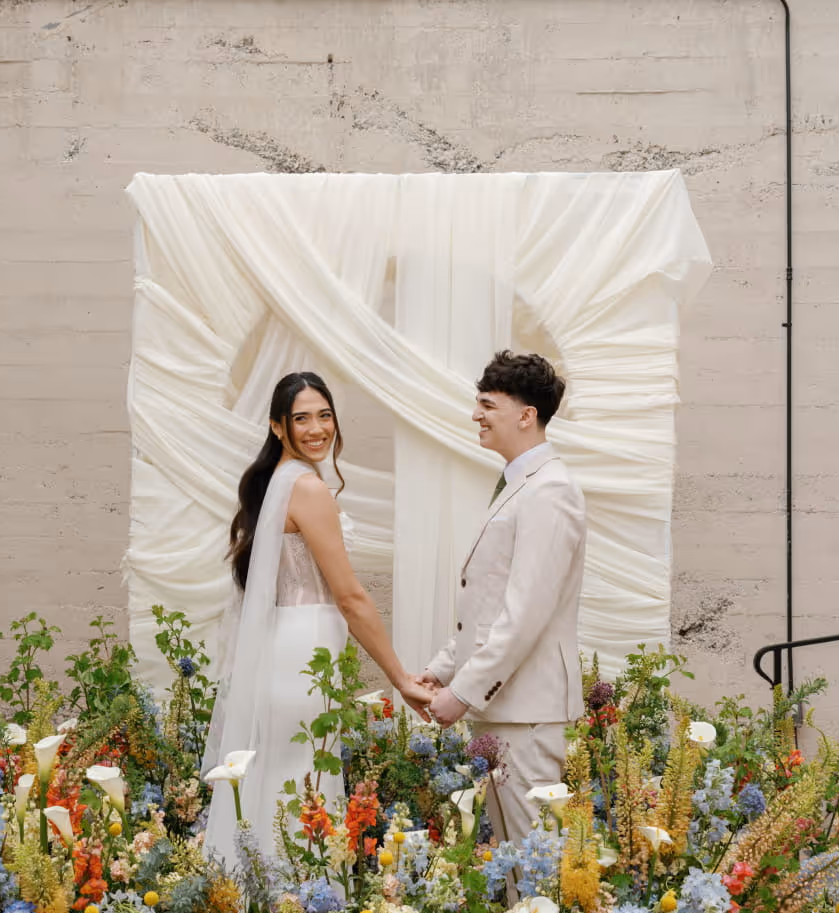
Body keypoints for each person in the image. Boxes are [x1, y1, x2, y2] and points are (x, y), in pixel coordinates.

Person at [202, 371, 433, 869]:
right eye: (301, 418)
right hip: (304, 654)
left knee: (281, 777)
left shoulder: (277, 482)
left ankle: (260, 903)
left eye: (324, 415)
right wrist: (400, 678)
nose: (316, 428)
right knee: (304, 780)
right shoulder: (306, 487)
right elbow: (349, 597)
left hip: (284, 647)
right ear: (278, 427)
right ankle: (300, 901)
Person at [419, 351, 586, 845]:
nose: (477, 415)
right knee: (516, 860)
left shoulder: (550, 491)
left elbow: (525, 614)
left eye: (487, 404)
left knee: (536, 864)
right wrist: (443, 668)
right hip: (506, 709)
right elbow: (489, 604)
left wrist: (464, 692)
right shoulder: (522, 486)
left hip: (526, 712)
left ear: (526, 415)